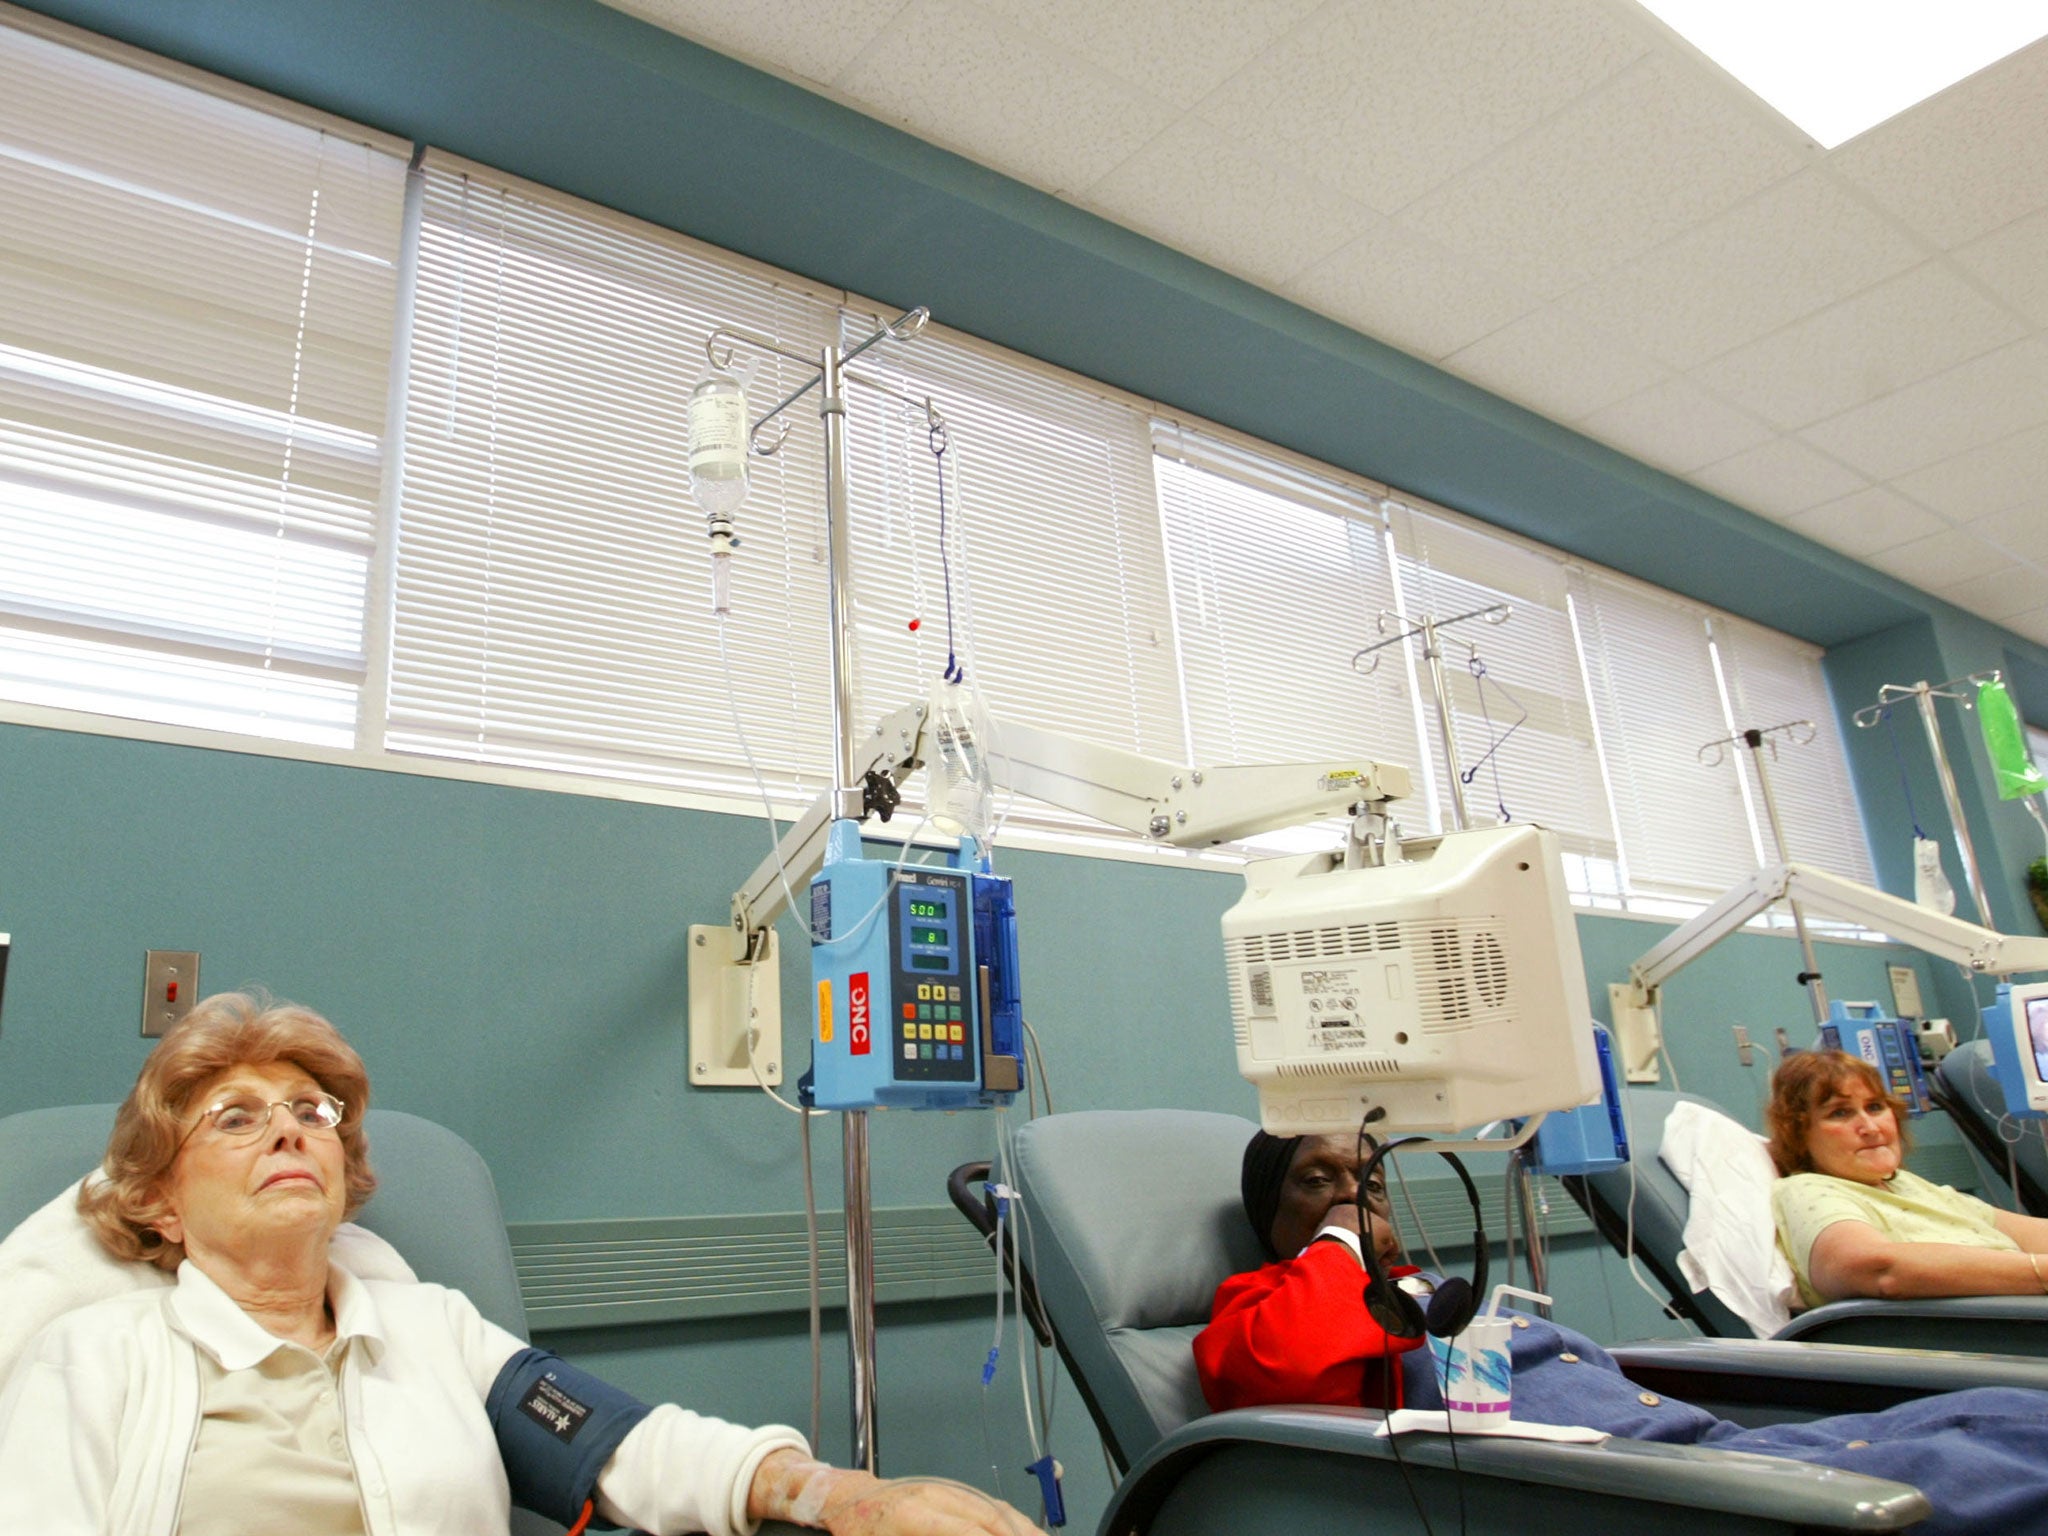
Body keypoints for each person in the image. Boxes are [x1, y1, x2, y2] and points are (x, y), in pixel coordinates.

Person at [0, 993, 1038, 1536]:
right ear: (156, 1202)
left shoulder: (425, 1328)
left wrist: (833, 1495)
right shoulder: (89, 1361)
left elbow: (625, 1444)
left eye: (310, 1113)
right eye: (236, 1118)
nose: (288, 1131)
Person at [1195, 1127, 2048, 1536]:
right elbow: (1286, 1366)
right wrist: (1344, 1242)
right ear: (1274, 1213)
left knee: (2001, 1414)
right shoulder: (1260, 1298)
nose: (1355, 1194)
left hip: (1689, 1435)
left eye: (1368, 1181)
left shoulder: (1440, 1291)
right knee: (1970, 1477)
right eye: (1319, 1182)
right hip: (1621, 1476)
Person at [1768, 1049, 2048, 1308]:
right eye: (1840, 1113)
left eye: (1875, 1107)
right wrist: (2041, 1273)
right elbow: (1877, 1269)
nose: (1870, 1127)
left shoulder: (1905, 1185)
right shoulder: (1809, 1191)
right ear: (1798, 1133)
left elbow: (2031, 1233)